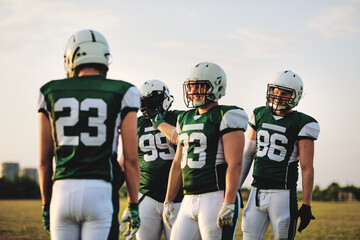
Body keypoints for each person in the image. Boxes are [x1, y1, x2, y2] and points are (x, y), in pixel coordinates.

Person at [38, 29, 141, 240]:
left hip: (62, 190)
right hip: (100, 190)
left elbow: (44, 161)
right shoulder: (123, 91)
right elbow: (130, 160)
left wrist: (46, 204)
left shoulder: (49, 91)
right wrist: (133, 204)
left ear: (71, 57)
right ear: (104, 58)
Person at [163, 62, 248, 240]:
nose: (193, 91)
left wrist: (229, 202)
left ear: (216, 86)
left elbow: (235, 164)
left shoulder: (226, 115)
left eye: (199, 86)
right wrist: (169, 199)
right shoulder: (185, 117)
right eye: (191, 87)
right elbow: (178, 162)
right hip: (188, 198)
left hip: (215, 197)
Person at [240, 70, 320, 240]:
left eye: (284, 93)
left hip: (282, 194)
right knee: (248, 235)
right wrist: (236, 188)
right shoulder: (260, 114)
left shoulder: (303, 123)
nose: (278, 96)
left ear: (295, 95)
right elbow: (247, 155)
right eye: (275, 91)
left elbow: (307, 168)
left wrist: (306, 204)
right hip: (256, 190)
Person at [120, 79, 184, 240]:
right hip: (146, 195)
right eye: (146, 102)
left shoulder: (179, 117)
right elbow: (125, 162)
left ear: (165, 99)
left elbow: (180, 138)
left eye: (153, 101)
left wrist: (159, 121)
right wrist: (131, 202)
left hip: (178, 197)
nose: (150, 106)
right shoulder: (136, 123)